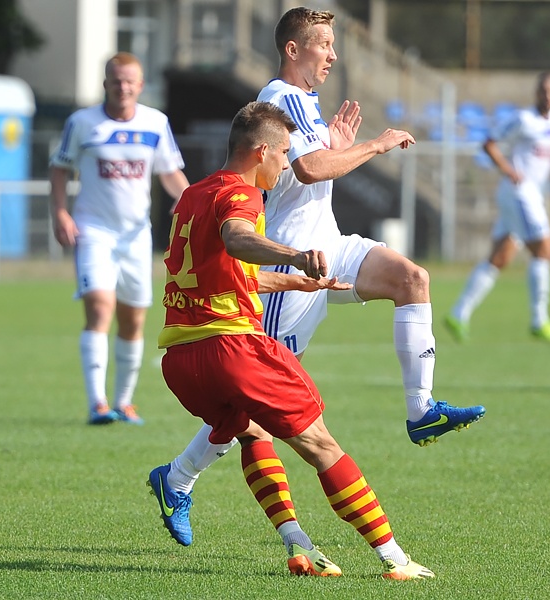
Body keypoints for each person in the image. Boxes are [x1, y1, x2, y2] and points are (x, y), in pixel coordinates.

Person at [147, 6, 484, 547]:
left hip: (329, 242)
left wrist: (332, 140)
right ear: (292, 49)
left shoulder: (302, 103)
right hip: (290, 256)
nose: (333, 54)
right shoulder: (280, 97)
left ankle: (421, 411)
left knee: (411, 279)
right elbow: (306, 169)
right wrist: (370, 146)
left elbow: (309, 167)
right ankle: (179, 478)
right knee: (248, 408)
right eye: (324, 44)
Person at [154, 100, 434, 579]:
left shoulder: (193, 195)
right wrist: (296, 255)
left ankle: (298, 545)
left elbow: (228, 272)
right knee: (322, 445)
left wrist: (301, 282)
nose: (286, 164)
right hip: (229, 349)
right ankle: (395, 559)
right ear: (261, 151)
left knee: (253, 432)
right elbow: (238, 239)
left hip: (182, 359)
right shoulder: (242, 196)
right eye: (283, 154)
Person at [50, 52, 189, 425]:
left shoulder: (155, 123)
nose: (123, 87)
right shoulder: (82, 122)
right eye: (116, 80)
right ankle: (97, 403)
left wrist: (187, 200)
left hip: (135, 235)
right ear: (105, 84)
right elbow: (60, 168)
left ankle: (124, 403)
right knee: (99, 307)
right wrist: (60, 212)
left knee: (133, 319)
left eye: (130, 81)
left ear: (140, 86)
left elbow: (170, 172)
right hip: (93, 229)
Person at [445, 72, 550, 345]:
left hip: (532, 196)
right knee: (545, 250)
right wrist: (509, 170)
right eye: (544, 90)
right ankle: (539, 321)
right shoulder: (523, 119)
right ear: (536, 92)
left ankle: (458, 313)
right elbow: (489, 143)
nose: (548, 95)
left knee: (500, 257)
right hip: (519, 194)